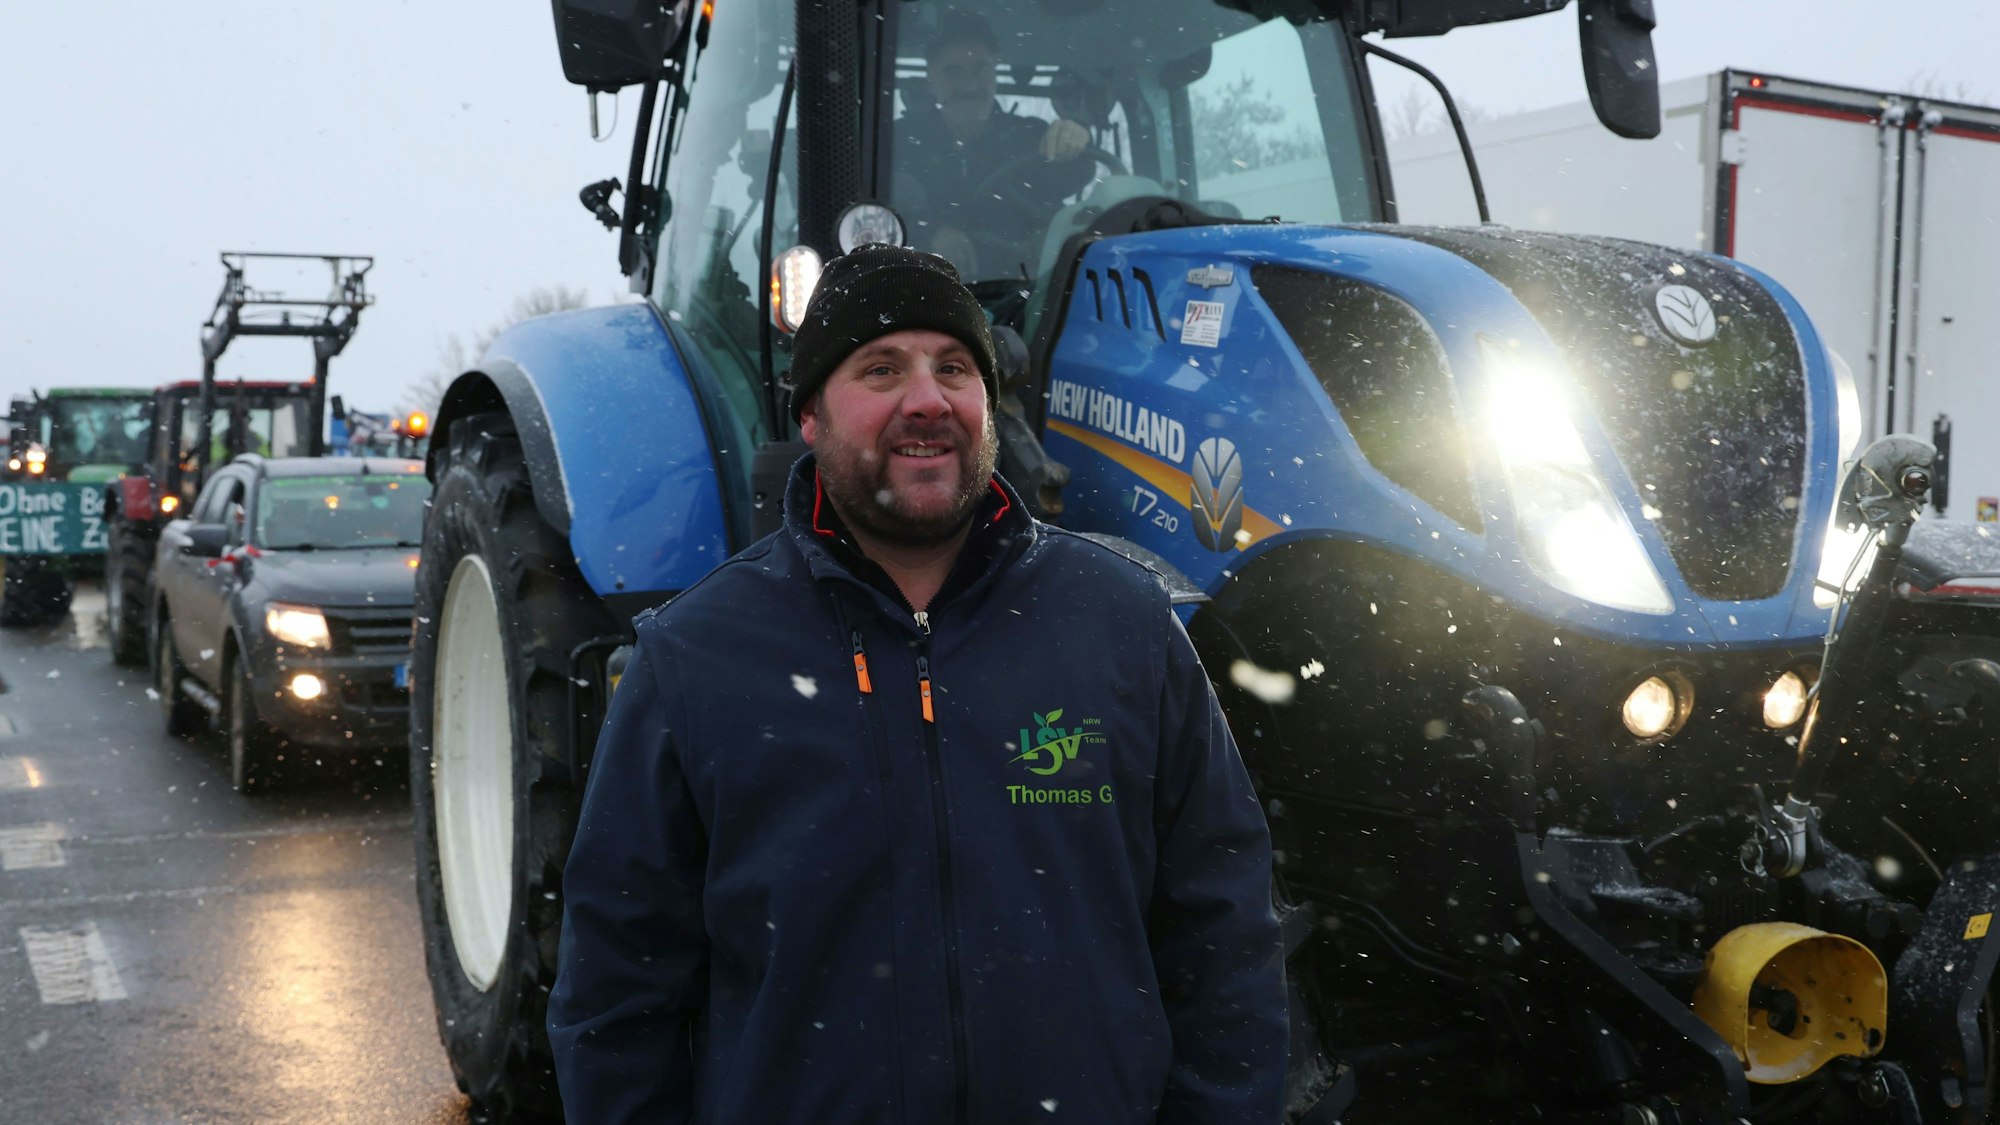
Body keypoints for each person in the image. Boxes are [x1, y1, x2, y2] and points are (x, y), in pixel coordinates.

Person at [548, 244, 1286, 1123]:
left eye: (955, 368)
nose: (928, 399)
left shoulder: (1123, 625)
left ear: (986, 404)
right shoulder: (698, 658)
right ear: (813, 415)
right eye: (882, 368)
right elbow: (618, 991)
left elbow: (1224, 935)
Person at [898, 12, 1099, 277]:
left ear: (995, 74)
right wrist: (927, 230)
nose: (970, 85)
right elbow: (872, 210)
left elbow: (1077, 172)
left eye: (981, 69)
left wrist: (1076, 136)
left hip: (1026, 299)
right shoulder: (900, 142)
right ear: (931, 82)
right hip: (924, 293)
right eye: (953, 71)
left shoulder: (1030, 135)